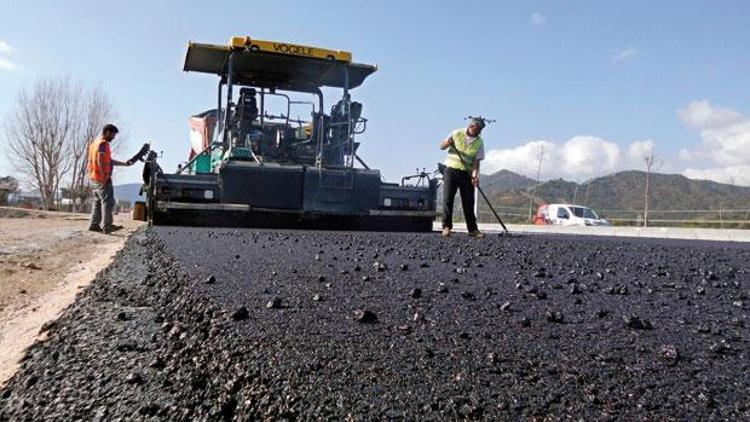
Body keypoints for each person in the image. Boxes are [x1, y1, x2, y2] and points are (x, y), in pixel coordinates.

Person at [439, 118, 486, 238]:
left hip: (467, 173)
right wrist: (448, 143)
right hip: (451, 170)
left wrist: (475, 176)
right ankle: (446, 227)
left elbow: (476, 162)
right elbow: (442, 146)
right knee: (448, 199)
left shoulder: (480, 142)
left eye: (479, 130)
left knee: (469, 201)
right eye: (476, 129)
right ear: (470, 126)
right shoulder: (457, 133)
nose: (478, 132)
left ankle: (472, 229)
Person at [87, 124, 134, 234]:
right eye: (113, 135)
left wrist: (125, 164)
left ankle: (94, 225)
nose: (113, 137)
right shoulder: (103, 144)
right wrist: (104, 177)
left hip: (93, 177)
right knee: (108, 201)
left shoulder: (95, 143)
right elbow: (101, 160)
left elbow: (109, 161)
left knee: (98, 202)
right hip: (101, 178)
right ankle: (107, 226)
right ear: (107, 132)